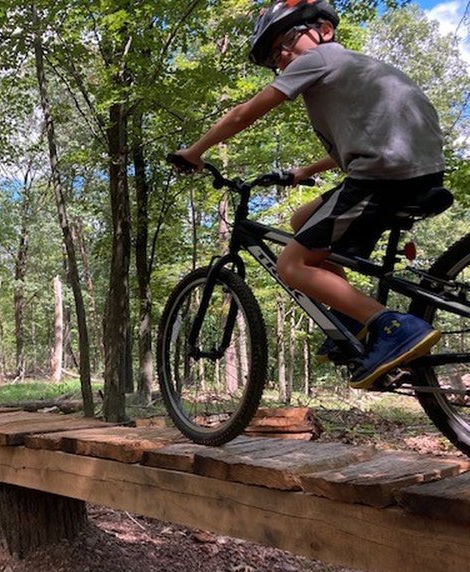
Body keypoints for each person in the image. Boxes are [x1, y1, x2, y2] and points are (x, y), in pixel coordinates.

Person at [171, 0, 446, 389]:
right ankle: (351, 315)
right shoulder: (357, 72)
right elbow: (361, 140)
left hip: (383, 177)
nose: (282, 57)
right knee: (302, 220)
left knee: (291, 265)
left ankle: (393, 326)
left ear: (325, 30)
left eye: (286, 41)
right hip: (407, 169)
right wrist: (305, 171)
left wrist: (194, 152)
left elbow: (243, 114)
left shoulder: (320, 60)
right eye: (274, 57)